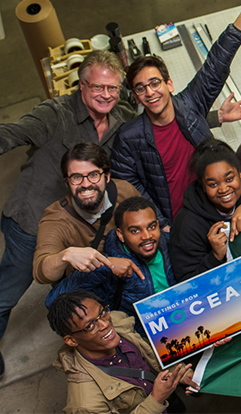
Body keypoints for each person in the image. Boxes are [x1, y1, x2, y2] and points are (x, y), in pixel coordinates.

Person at [0, 48, 133, 378]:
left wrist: (216, 117)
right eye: (97, 87)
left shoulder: (121, 115)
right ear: (81, 85)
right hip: (32, 222)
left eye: (112, 87)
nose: (105, 95)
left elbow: (156, 123)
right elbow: (14, 132)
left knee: (84, 284)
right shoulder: (56, 114)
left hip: (83, 222)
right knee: (8, 290)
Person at [111, 0, 241, 231]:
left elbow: (216, 63)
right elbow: (129, 189)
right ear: (135, 97)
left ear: (169, 84)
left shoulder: (189, 105)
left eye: (155, 83)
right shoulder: (128, 138)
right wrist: (160, 223)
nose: (150, 92)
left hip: (220, 210)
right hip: (179, 226)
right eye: (141, 88)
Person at [48, 289, 195, 414]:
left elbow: (149, 354)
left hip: (169, 402)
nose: (105, 324)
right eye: (90, 326)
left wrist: (179, 372)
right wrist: (156, 399)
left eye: (102, 313)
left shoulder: (118, 321)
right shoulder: (85, 404)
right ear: (71, 340)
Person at [45, 197, 176, 336]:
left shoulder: (173, 244)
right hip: (145, 338)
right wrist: (106, 265)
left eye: (151, 226)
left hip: (186, 320)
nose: (147, 236)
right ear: (121, 235)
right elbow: (53, 302)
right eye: (135, 231)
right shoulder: (110, 269)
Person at [32, 142, 142, 285]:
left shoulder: (124, 192)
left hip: (136, 275)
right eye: (76, 177)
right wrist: (65, 256)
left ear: (107, 177)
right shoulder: (56, 219)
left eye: (94, 175)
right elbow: (41, 273)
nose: (85, 184)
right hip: (93, 291)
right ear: (67, 182)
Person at [170, 138, 241, 281]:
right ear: (203, 186)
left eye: (229, 179)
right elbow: (187, 282)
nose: (223, 189)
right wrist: (215, 256)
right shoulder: (186, 224)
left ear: (240, 174)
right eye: (213, 184)